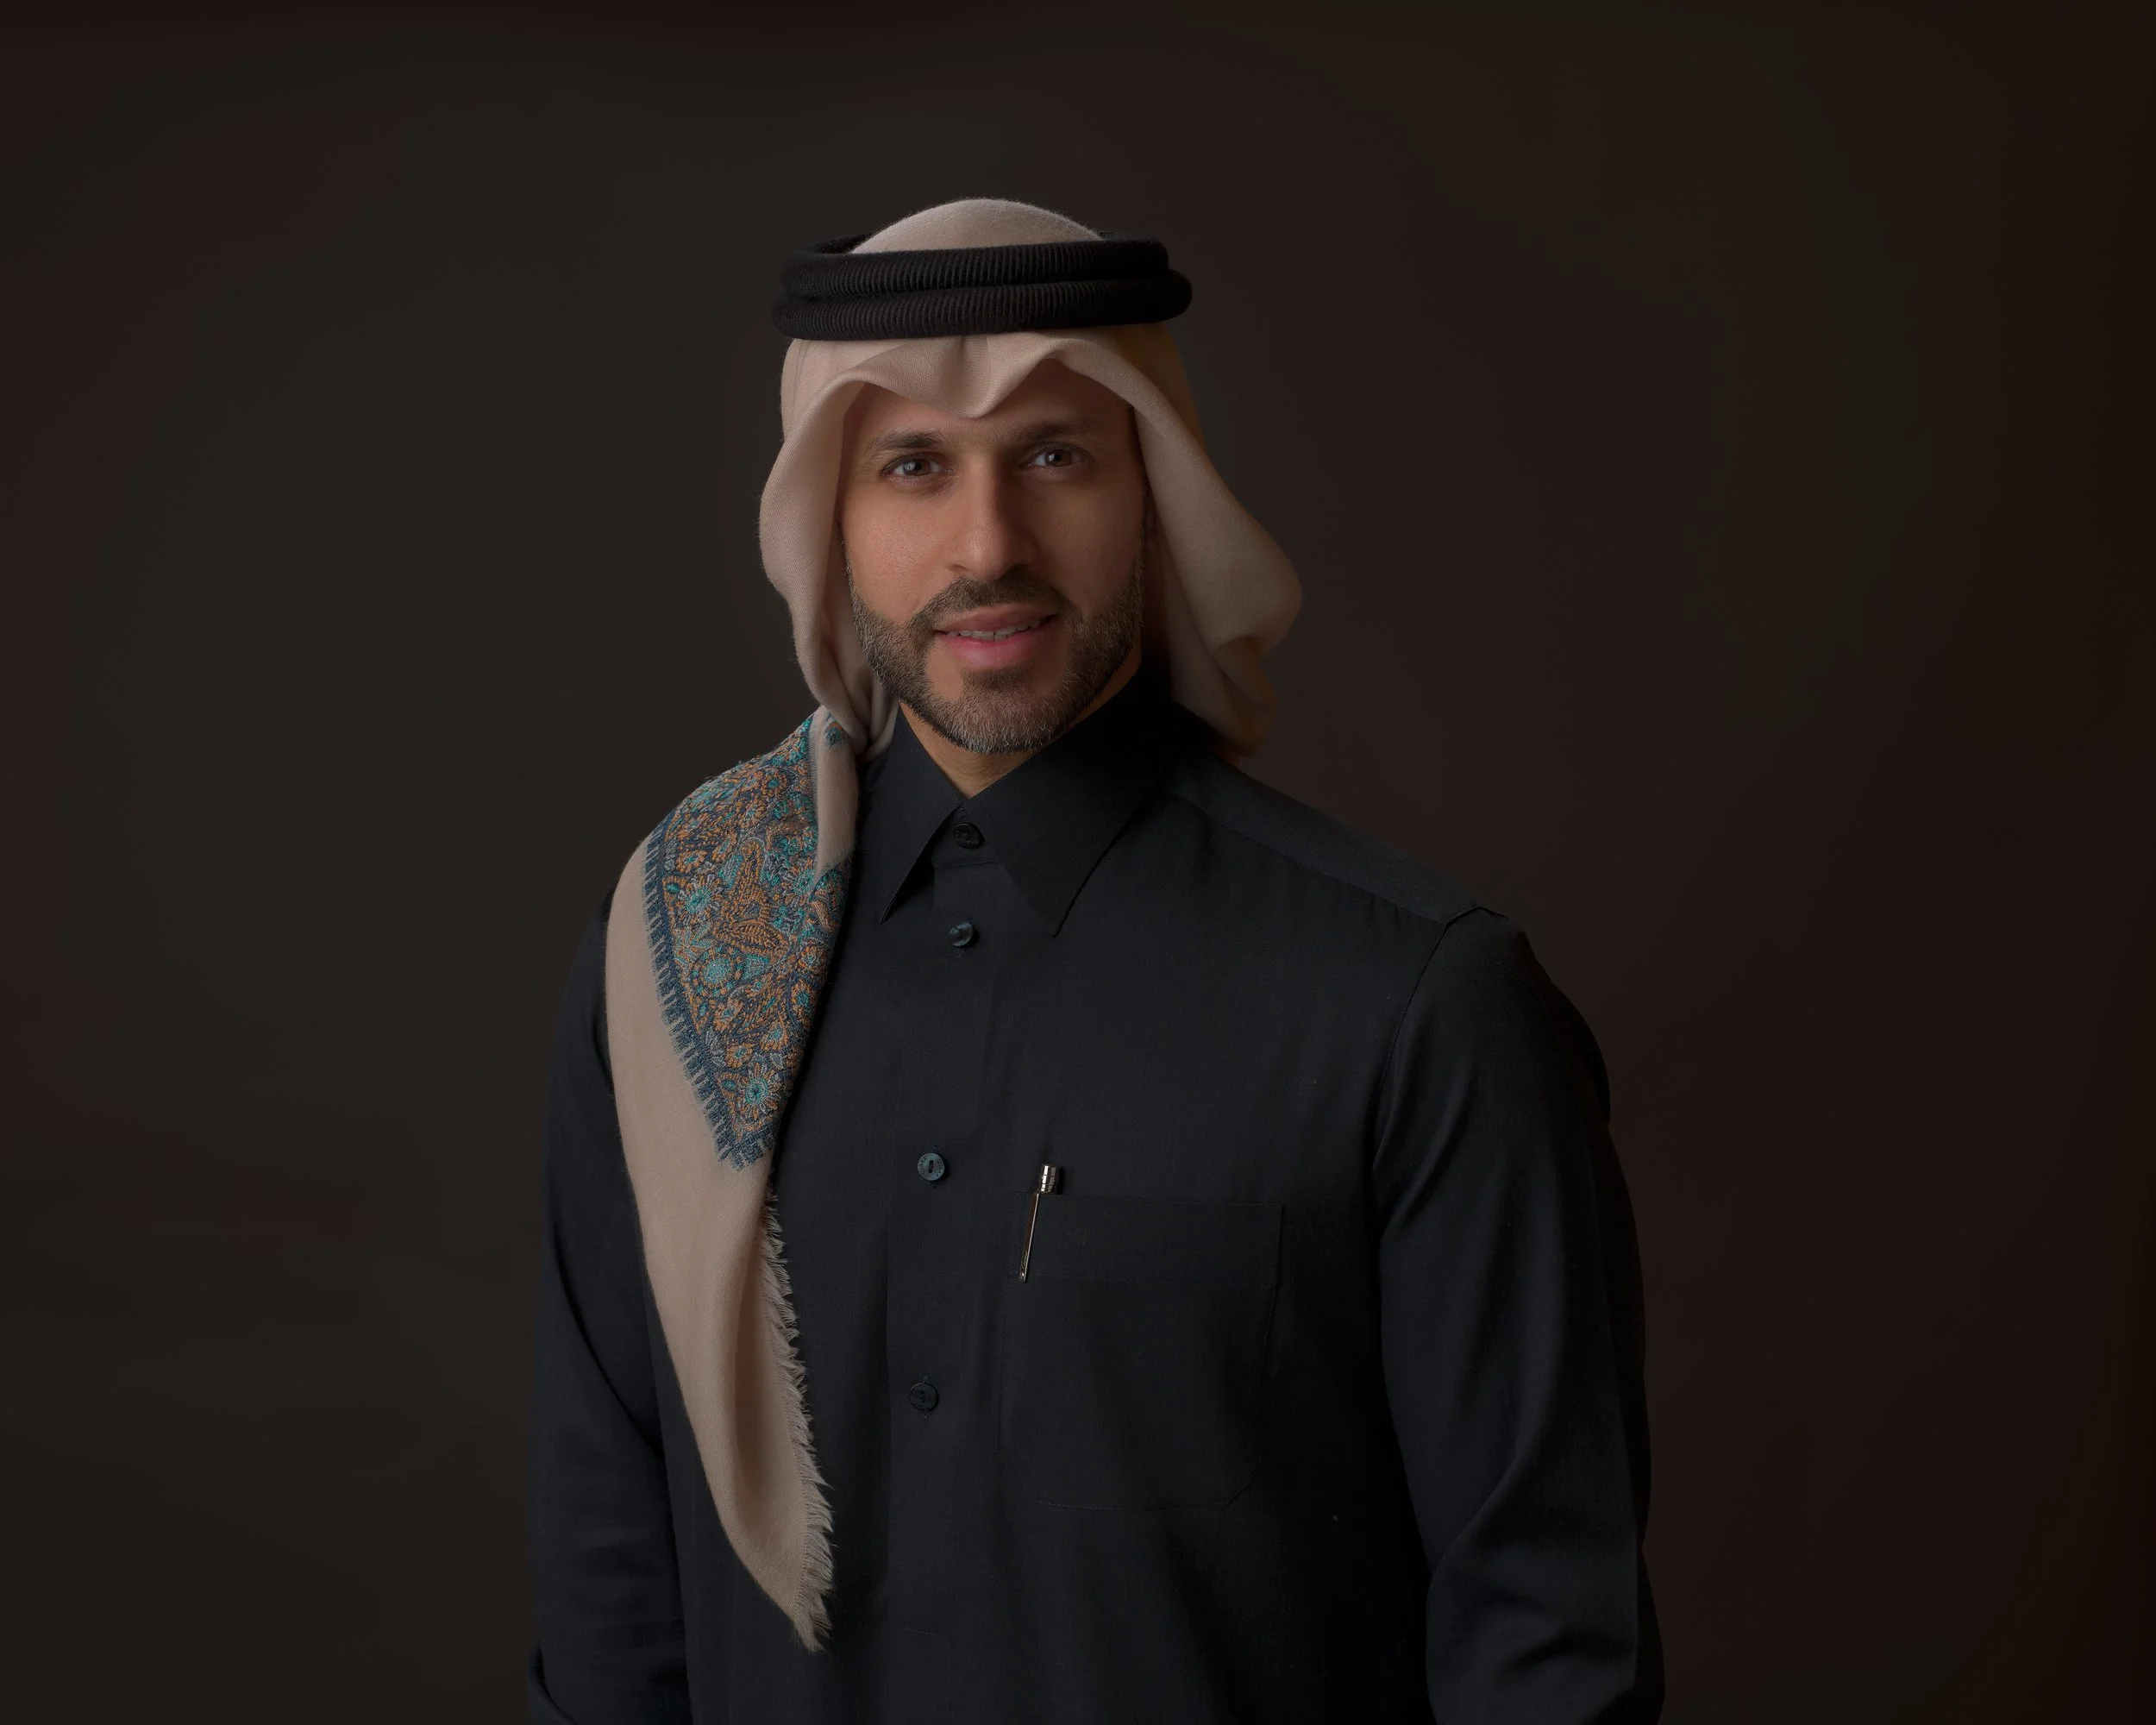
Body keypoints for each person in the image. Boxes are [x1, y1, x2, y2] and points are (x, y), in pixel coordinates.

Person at [527, 197, 1661, 1724]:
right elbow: (610, 1604)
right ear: (828, 520)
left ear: (1153, 487)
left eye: (1054, 455)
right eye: (912, 466)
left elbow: (1548, 1645)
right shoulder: (677, 955)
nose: (987, 545)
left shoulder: (1417, 1004)